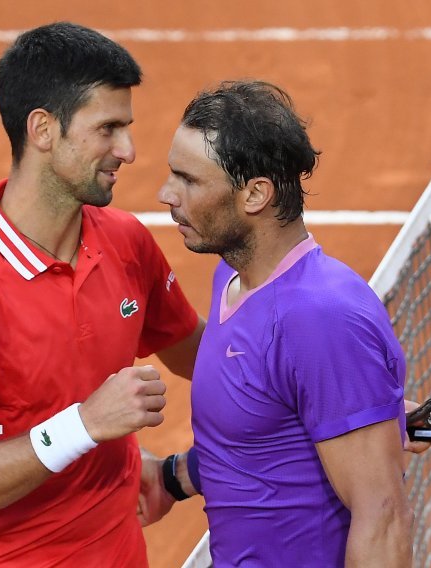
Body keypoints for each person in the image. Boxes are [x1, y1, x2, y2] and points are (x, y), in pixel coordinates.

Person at [0, 22, 204, 567]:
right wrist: (83, 425)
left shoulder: (127, 243)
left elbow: (207, 358)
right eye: (107, 128)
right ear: (42, 129)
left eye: (126, 127)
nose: (128, 151)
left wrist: (348, 403)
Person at [151, 80, 414, 567]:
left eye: (189, 179)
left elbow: (383, 517)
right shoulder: (231, 277)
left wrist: (355, 401)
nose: (166, 194)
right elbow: (261, 434)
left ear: (255, 194)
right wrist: (173, 479)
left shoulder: (320, 319)